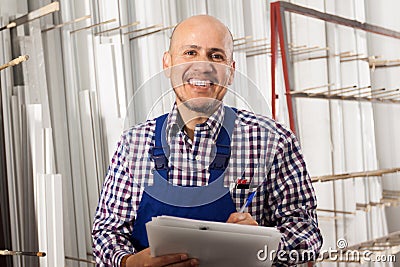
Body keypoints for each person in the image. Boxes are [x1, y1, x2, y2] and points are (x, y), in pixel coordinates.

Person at [92, 15, 322, 267]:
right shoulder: (134, 143)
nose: (202, 66)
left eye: (216, 56)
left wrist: (264, 241)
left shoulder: (273, 141)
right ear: (167, 63)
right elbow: (107, 233)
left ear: (231, 71)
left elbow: (307, 235)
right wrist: (131, 263)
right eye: (190, 52)